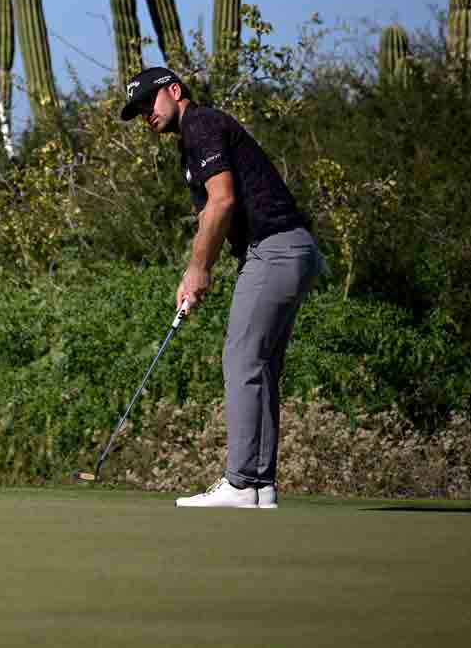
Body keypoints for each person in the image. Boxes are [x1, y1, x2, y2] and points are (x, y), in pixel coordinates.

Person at [118, 66, 327, 509]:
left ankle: (239, 481)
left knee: (241, 357)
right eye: (137, 111)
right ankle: (259, 486)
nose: (145, 116)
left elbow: (224, 200)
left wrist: (198, 269)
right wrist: (199, 270)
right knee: (262, 364)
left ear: (174, 91)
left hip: (275, 247)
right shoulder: (187, 148)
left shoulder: (202, 123)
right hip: (288, 250)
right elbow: (207, 217)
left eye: (148, 103)